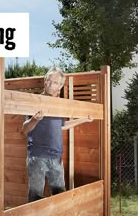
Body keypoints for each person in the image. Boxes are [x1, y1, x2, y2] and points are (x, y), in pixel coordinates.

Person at [22, 67, 93, 202]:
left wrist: (84, 119)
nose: (49, 84)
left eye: (54, 82)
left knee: (60, 197)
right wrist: (34, 119)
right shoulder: (35, 101)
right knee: (35, 198)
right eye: (48, 80)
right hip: (38, 158)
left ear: (60, 87)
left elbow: (63, 126)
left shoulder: (59, 105)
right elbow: (25, 129)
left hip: (56, 158)